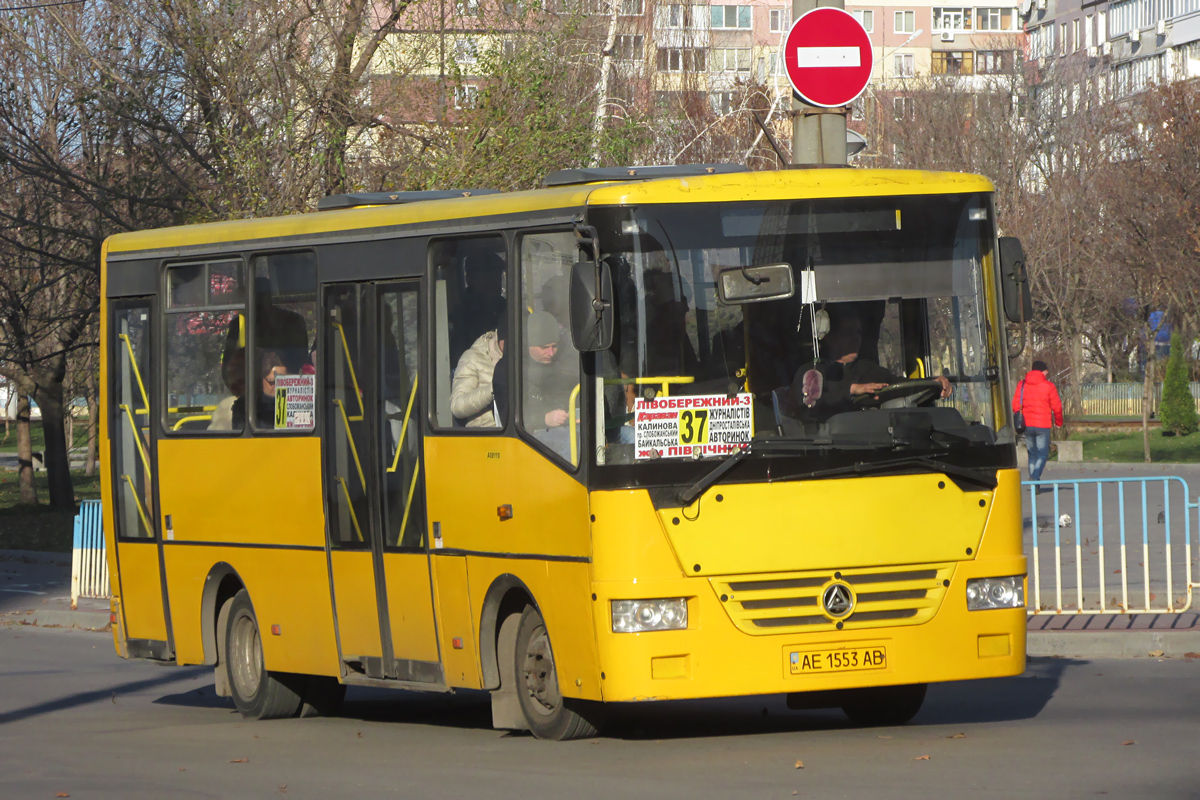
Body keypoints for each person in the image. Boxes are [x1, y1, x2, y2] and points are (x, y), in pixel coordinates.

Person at [785, 305, 951, 415]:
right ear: (829, 337)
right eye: (848, 332)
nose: (856, 338)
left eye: (858, 332)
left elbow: (901, 387)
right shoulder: (811, 372)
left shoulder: (869, 370)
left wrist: (934, 384)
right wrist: (851, 390)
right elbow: (808, 400)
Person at [522, 311, 578, 460]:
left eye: (554, 346)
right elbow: (512, 414)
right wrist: (544, 419)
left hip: (570, 425)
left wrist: (579, 414)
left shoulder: (565, 362)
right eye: (544, 347)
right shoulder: (518, 370)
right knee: (570, 443)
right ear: (529, 344)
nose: (551, 353)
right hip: (533, 434)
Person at [450, 311, 505, 428]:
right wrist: (492, 389)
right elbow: (457, 406)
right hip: (486, 434)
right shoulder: (473, 358)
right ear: (500, 338)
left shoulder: (525, 358)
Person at [1013, 360, 1063, 482]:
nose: (1047, 374)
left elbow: (1015, 405)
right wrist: (1058, 422)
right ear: (1041, 371)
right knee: (1042, 453)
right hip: (1043, 425)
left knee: (1032, 454)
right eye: (1046, 372)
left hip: (1027, 425)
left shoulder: (1022, 384)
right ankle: (1035, 476)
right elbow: (1057, 407)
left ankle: (1035, 482)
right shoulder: (1049, 386)